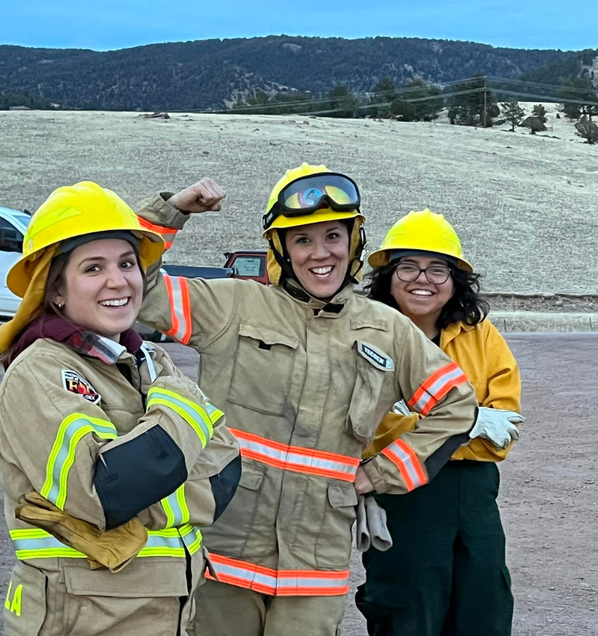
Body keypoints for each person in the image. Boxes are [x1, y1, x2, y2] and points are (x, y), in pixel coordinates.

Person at [133, 164, 488, 636]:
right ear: (281, 248)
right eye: (302, 240)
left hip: (314, 570)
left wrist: (379, 474)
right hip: (224, 555)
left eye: (333, 237)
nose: (320, 253)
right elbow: (137, 288)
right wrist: (171, 212)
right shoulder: (232, 305)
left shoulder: (388, 330)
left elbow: (456, 405)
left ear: (353, 242)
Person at [0, 181, 240, 636]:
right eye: (93, 268)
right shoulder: (41, 371)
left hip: (168, 615)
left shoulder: (145, 360)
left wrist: (153, 479)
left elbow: (226, 470)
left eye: (127, 263)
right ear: (56, 291)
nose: (118, 280)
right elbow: (107, 493)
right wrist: (180, 404)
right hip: (85, 620)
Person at [355, 209, 523, 636]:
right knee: (407, 610)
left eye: (437, 269)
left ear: (455, 281)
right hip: (400, 492)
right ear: (389, 277)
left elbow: (500, 436)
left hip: (474, 495)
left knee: (484, 604)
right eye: (407, 267)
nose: (422, 279)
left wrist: (410, 421)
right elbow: (363, 427)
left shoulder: (480, 335)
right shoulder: (365, 335)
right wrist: (465, 421)